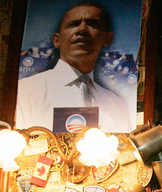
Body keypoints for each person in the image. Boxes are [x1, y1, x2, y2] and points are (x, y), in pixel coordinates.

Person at [15, 2, 133, 133]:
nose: (82, 30)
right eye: (74, 24)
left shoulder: (118, 105)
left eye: (93, 24)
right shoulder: (27, 92)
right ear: (56, 40)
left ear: (107, 38)